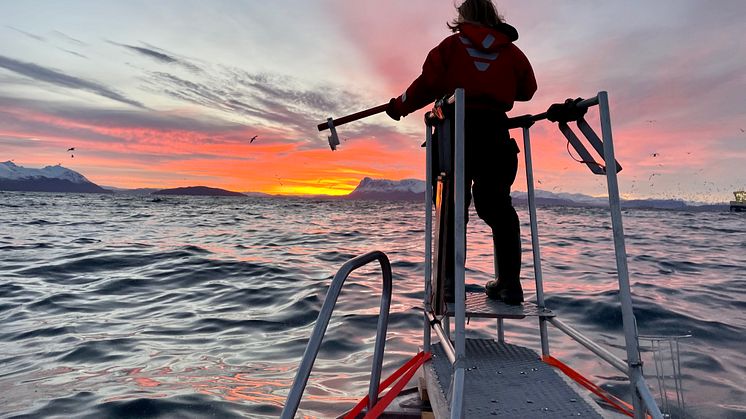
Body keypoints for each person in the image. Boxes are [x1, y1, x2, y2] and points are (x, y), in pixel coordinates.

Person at [385, 0, 537, 305]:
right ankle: (509, 286)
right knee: (497, 207)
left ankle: (449, 285)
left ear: (462, 18)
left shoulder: (451, 47)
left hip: (455, 134)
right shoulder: (512, 52)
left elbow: (426, 85)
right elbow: (528, 90)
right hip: (496, 134)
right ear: (494, 18)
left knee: (452, 207)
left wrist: (398, 106)